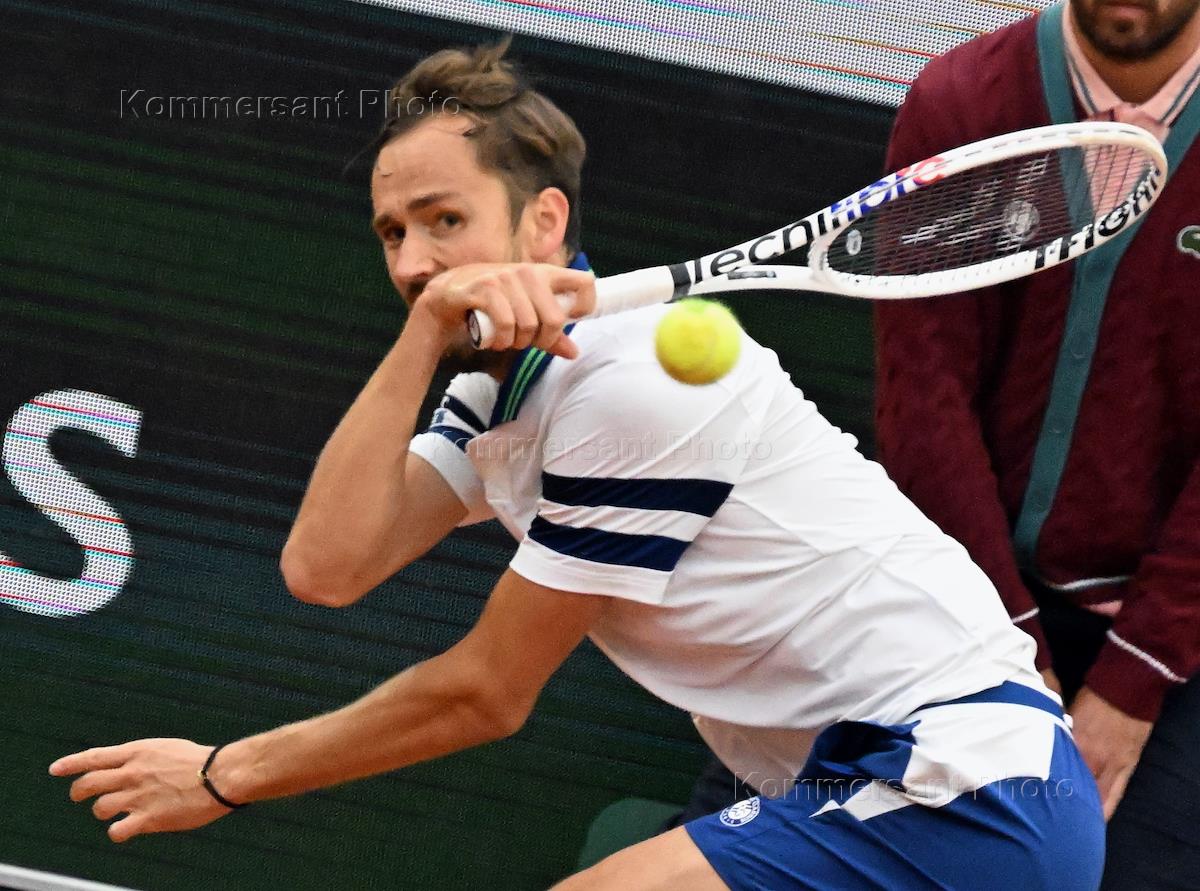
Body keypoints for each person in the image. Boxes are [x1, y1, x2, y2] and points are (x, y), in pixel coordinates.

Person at [51, 41, 1104, 890]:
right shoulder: (507, 388)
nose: (414, 261)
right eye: (393, 234)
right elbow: (328, 568)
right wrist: (423, 334)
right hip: (866, 791)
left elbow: (484, 695)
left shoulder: (638, 383)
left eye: (446, 221)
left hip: (960, 790)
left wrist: (225, 775)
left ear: (544, 221)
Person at [874, 0, 1200, 887]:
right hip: (957, 598)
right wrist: (1012, 651)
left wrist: (1133, 681)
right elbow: (923, 400)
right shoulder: (961, 101)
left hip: (1173, 635)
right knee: (772, 841)